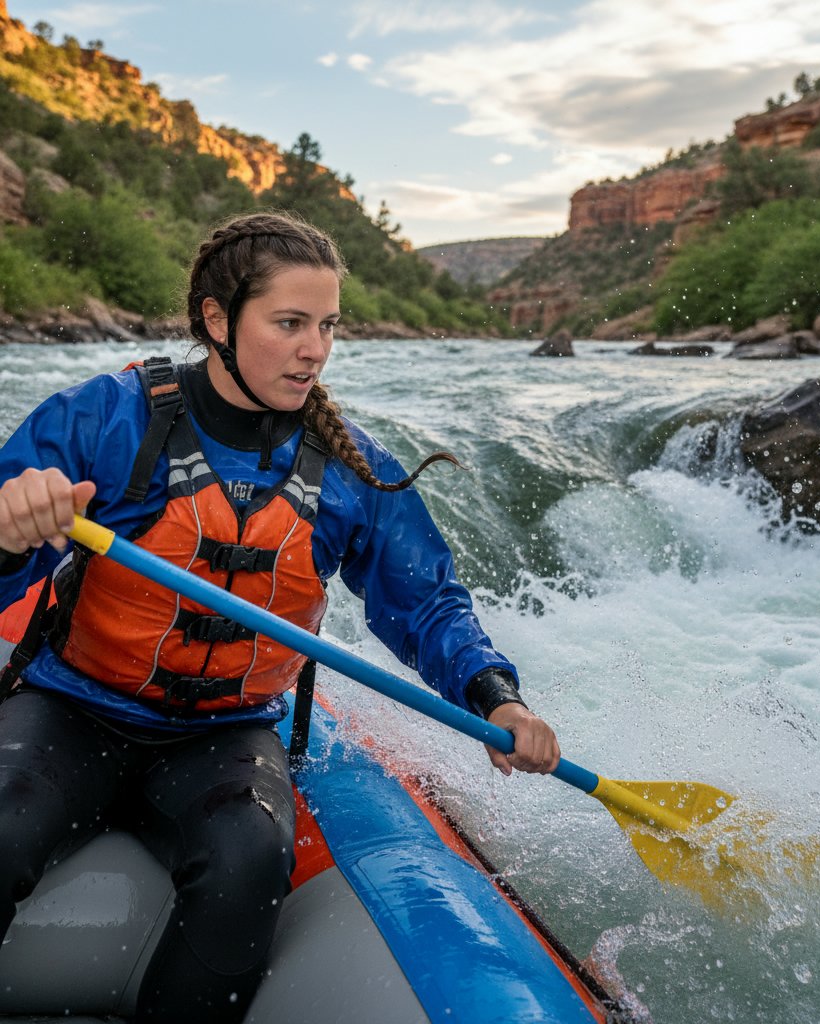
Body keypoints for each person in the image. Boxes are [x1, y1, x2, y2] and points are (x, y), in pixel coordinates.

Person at [0, 211, 560, 1022]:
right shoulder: (106, 418)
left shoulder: (350, 470)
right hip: (74, 706)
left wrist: (495, 696)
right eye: (290, 323)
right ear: (217, 320)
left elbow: (426, 602)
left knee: (250, 857)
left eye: (327, 326)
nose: (315, 349)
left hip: (223, 735)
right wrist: (10, 530)